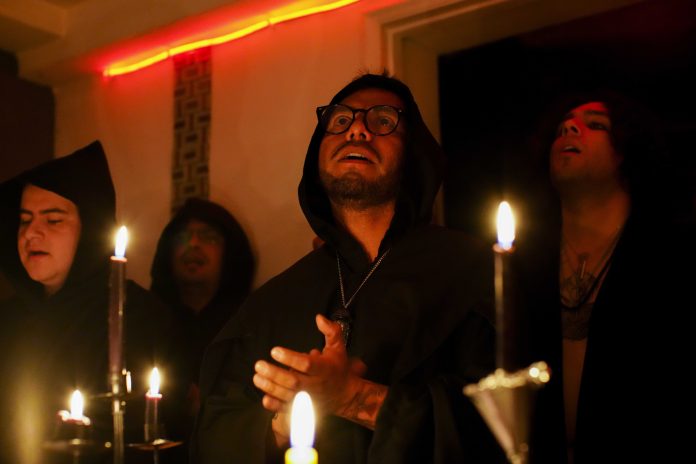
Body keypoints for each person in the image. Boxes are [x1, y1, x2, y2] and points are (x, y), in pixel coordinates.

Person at [191, 72, 505, 463]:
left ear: (413, 154)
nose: (357, 130)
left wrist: (353, 398)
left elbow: (504, 423)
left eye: (383, 120)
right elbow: (214, 434)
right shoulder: (275, 299)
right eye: (340, 120)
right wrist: (282, 426)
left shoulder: (470, 270)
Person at [524, 91, 693, 463]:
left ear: (628, 151)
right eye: (563, 124)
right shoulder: (526, 264)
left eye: (595, 124)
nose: (569, 127)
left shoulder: (671, 257)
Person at [0, 141, 185, 464]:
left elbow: (144, 429)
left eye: (53, 220)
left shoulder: (137, 315)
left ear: (89, 228)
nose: (31, 233)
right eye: (25, 220)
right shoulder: (8, 318)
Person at [150, 198, 254, 430]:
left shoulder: (251, 322)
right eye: (182, 238)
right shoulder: (146, 319)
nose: (193, 244)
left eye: (209, 238)